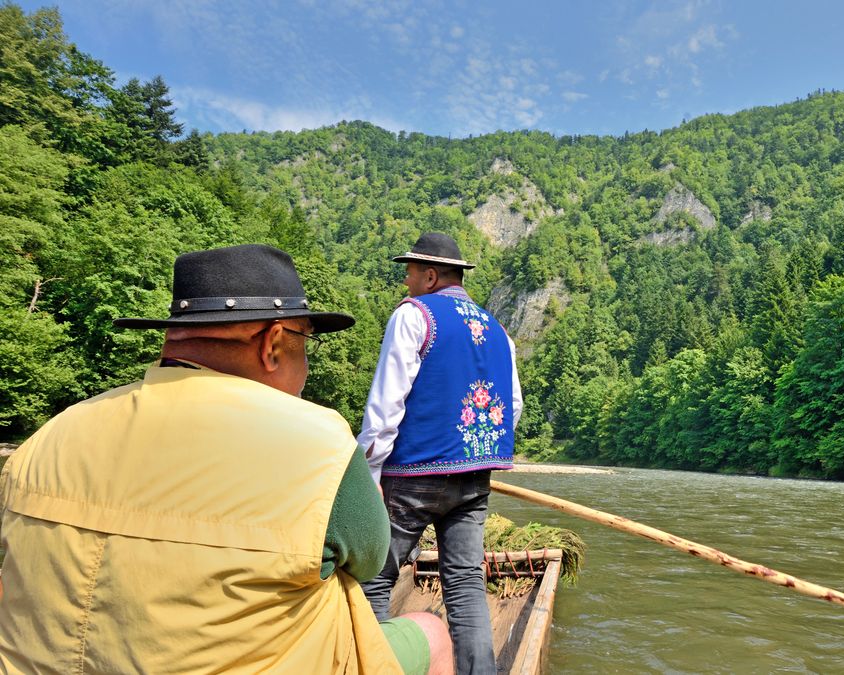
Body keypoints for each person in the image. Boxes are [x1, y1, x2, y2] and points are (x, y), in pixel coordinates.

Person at [0, 244, 451, 675]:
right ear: (273, 343)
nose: (307, 369)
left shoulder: (50, 435)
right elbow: (371, 562)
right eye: (305, 343)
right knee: (430, 632)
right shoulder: (319, 444)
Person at [359, 232, 522, 675]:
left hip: (413, 475)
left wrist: (367, 475)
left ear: (430, 276)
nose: (406, 282)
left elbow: (385, 407)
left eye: (410, 273)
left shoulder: (415, 315)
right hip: (474, 478)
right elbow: (513, 407)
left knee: (373, 579)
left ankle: (373, 666)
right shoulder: (497, 329)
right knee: (466, 583)